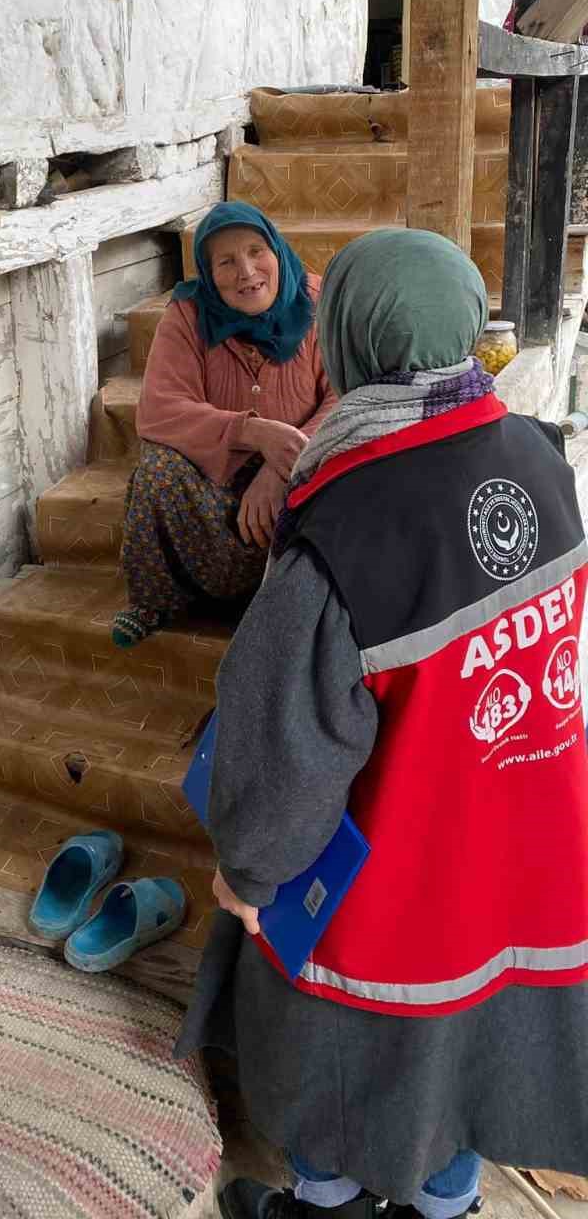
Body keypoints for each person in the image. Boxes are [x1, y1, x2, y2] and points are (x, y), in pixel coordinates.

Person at [180, 229, 588, 1219]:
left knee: (332, 1041)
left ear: (353, 340)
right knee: (473, 1059)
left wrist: (248, 870)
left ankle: (325, 1203)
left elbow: (285, 759)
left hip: (396, 889)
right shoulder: (542, 458)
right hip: (524, 855)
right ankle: (446, 1204)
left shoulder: (347, 518)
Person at [113, 200, 336, 647]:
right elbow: (159, 408)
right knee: (157, 471)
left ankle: (279, 606)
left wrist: (280, 465)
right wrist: (251, 431)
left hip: (302, 466)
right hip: (217, 472)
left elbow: (345, 396)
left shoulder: (318, 303)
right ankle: (156, 600)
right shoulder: (189, 315)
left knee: (348, 487)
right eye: (226, 261)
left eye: (257, 251)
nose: (246, 271)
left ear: (276, 250)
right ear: (208, 272)